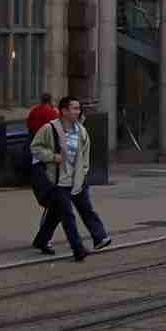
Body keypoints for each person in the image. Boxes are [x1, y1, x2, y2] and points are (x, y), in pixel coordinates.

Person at [31, 95, 108, 261]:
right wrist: (52, 156)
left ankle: (43, 240)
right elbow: (35, 148)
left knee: (78, 210)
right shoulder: (49, 129)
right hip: (58, 181)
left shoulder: (81, 130)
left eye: (78, 108)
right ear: (64, 111)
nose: (77, 111)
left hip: (77, 180)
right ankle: (78, 249)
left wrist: (84, 171)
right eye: (74, 108)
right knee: (67, 215)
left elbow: (85, 155)